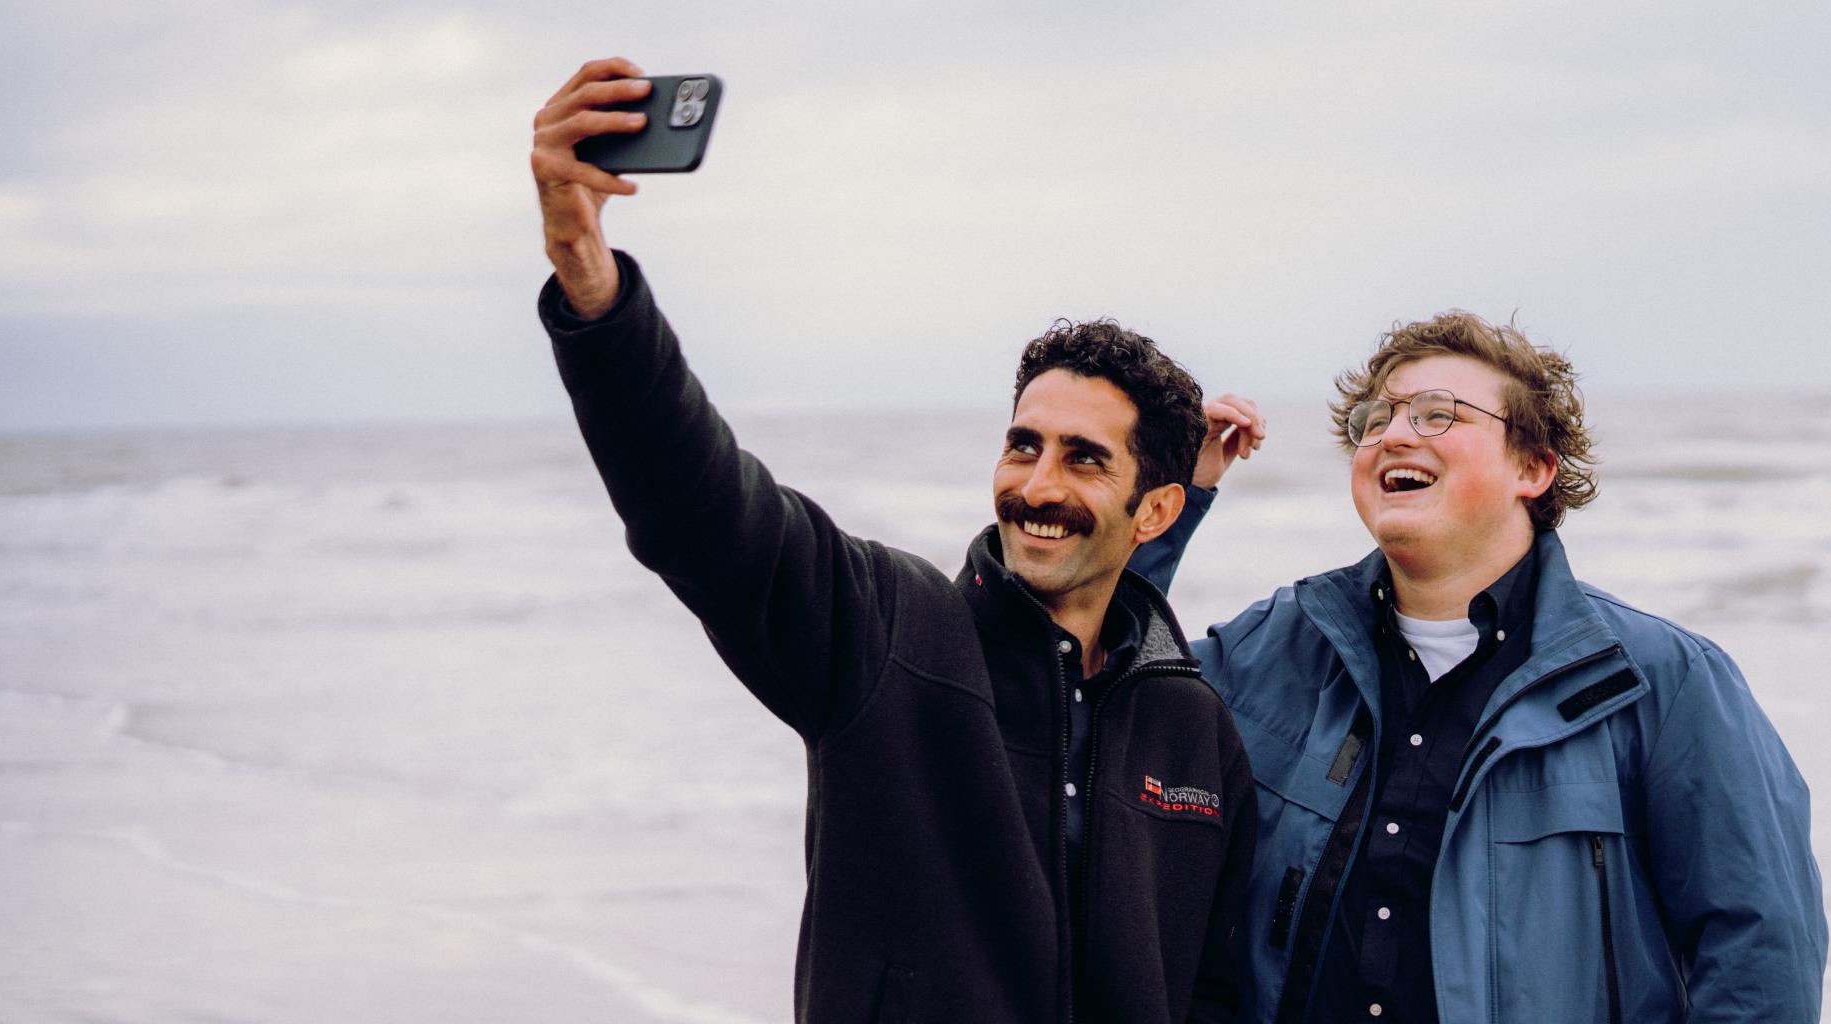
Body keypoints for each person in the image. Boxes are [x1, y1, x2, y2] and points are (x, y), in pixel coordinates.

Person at [530, 58, 1273, 1023]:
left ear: (1158, 511)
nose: (1035, 486)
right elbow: (699, 506)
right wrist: (593, 287)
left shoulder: (1194, 735)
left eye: (1084, 460)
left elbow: (1215, 992)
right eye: (1022, 445)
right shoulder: (886, 633)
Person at [1130, 312, 1827, 1022]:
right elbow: (1094, 700)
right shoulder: (1270, 650)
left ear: (1533, 467)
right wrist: (1164, 502)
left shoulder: (1662, 682)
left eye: (1439, 415)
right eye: (1375, 420)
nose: (1394, 435)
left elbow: (1759, 953)